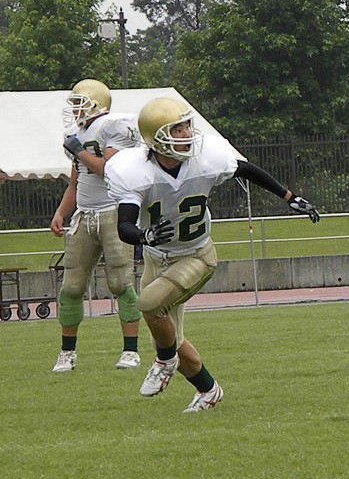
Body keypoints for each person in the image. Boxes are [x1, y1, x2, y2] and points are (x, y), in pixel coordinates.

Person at [104, 97, 320, 413]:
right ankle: (208, 390)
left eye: (186, 126)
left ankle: (165, 362)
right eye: (177, 129)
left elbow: (245, 169)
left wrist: (290, 197)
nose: (186, 134)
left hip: (195, 256)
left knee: (149, 305)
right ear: (157, 138)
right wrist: (144, 236)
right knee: (169, 337)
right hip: (156, 257)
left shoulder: (206, 157)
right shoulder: (133, 170)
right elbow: (124, 225)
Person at [50, 79, 143, 373]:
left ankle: (131, 351)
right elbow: (75, 182)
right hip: (84, 214)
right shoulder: (75, 134)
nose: (76, 110)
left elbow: (108, 169)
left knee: (121, 283)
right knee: (71, 287)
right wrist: (61, 213)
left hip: (113, 211)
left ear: (98, 104)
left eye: (81, 104)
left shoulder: (114, 126)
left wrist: (80, 151)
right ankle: (67, 353)